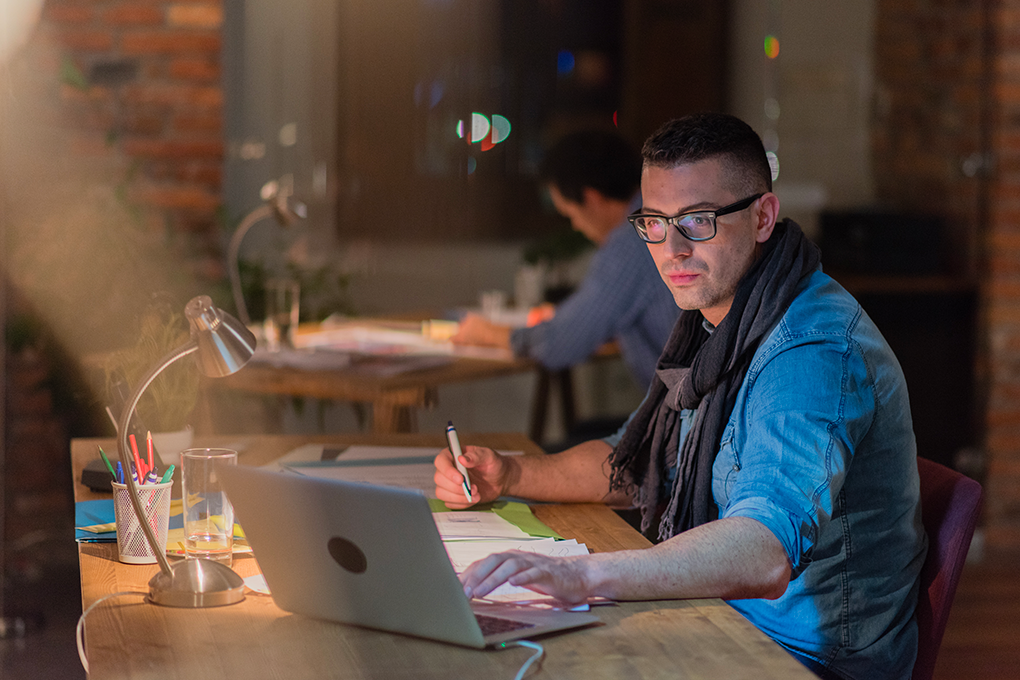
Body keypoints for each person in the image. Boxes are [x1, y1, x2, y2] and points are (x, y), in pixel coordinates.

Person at [435, 113, 927, 680]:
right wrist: (508, 475)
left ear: (763, 216)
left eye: (697, 221)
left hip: (800, 659)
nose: (672, 249)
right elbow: (638, 460)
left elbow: (764, 549)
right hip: (724, 621)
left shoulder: (810, 351)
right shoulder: (722, 322)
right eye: (654, 222)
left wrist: (585, 577)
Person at [452, 130, 679, 391]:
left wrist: (487, 333)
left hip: (687, 421)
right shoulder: (661, 219)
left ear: (592, 198)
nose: (576, 227)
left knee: (578, 434)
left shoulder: (631, 241)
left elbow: (563, 342)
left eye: (571, 215)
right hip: (693, 413)